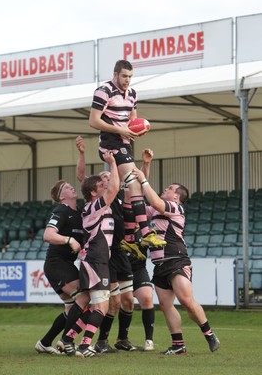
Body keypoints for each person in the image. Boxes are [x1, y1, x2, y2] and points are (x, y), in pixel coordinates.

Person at [130, 167, 220, 355]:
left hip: (176, 261)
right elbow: (138, 202)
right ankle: (178, 345)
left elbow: (154, 200)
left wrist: (144, 180)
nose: (166, 189)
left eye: (170, 188)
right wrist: (140, 172)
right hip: (159, 265)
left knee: (186, 301)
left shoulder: (175, 208)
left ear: (177, 197)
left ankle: (209, 334)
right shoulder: (154, 210)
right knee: (165, 305)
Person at [75, 136, 145, 353]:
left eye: (108, 175)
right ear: (100, 185)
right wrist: (83, 153)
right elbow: (82, 178)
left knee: (128, 301)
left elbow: (137, 191)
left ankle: (121, 338)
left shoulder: (118, 195)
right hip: (103, 254)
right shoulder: (99, 201)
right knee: (108, 302)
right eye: (102, 177)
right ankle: (99, 341)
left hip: (119, 251)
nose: (106, 178)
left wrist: (144, 166)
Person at [89, 59, 166, 252]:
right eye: (124, 76)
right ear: (115, 75)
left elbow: (132, 119)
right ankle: (147, 233)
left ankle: (130, 238)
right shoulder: (104, 90)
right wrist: (120, 130)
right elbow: (93, 121)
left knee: (132, 189)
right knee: (133, 182)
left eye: (130, 77)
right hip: (109, 141)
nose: (127, 80)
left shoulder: (132, 93)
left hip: (124, 142)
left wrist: (137, 129)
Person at [60, 150, 120, 357]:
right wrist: (112, 163)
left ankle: (67, 339)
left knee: (87, 300)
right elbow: (113, 189)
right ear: (94, 193)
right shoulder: (95, 206)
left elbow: (112, 188)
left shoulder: (96, 205)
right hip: (96, 260)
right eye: (101, 186)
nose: (106, 187)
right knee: (102, 304)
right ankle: (85, 346)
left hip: (94, 259)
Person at [35, 180, 89, 355]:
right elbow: (48, 234)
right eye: (66, 187)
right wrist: (69, 240)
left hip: (66, 264)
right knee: (84, 298)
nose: (71, 186)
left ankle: (45, 343)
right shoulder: (61, 210)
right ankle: (67, 342)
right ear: (61, 196)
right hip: (56, 264)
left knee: (70, 308)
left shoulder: (79, 212)